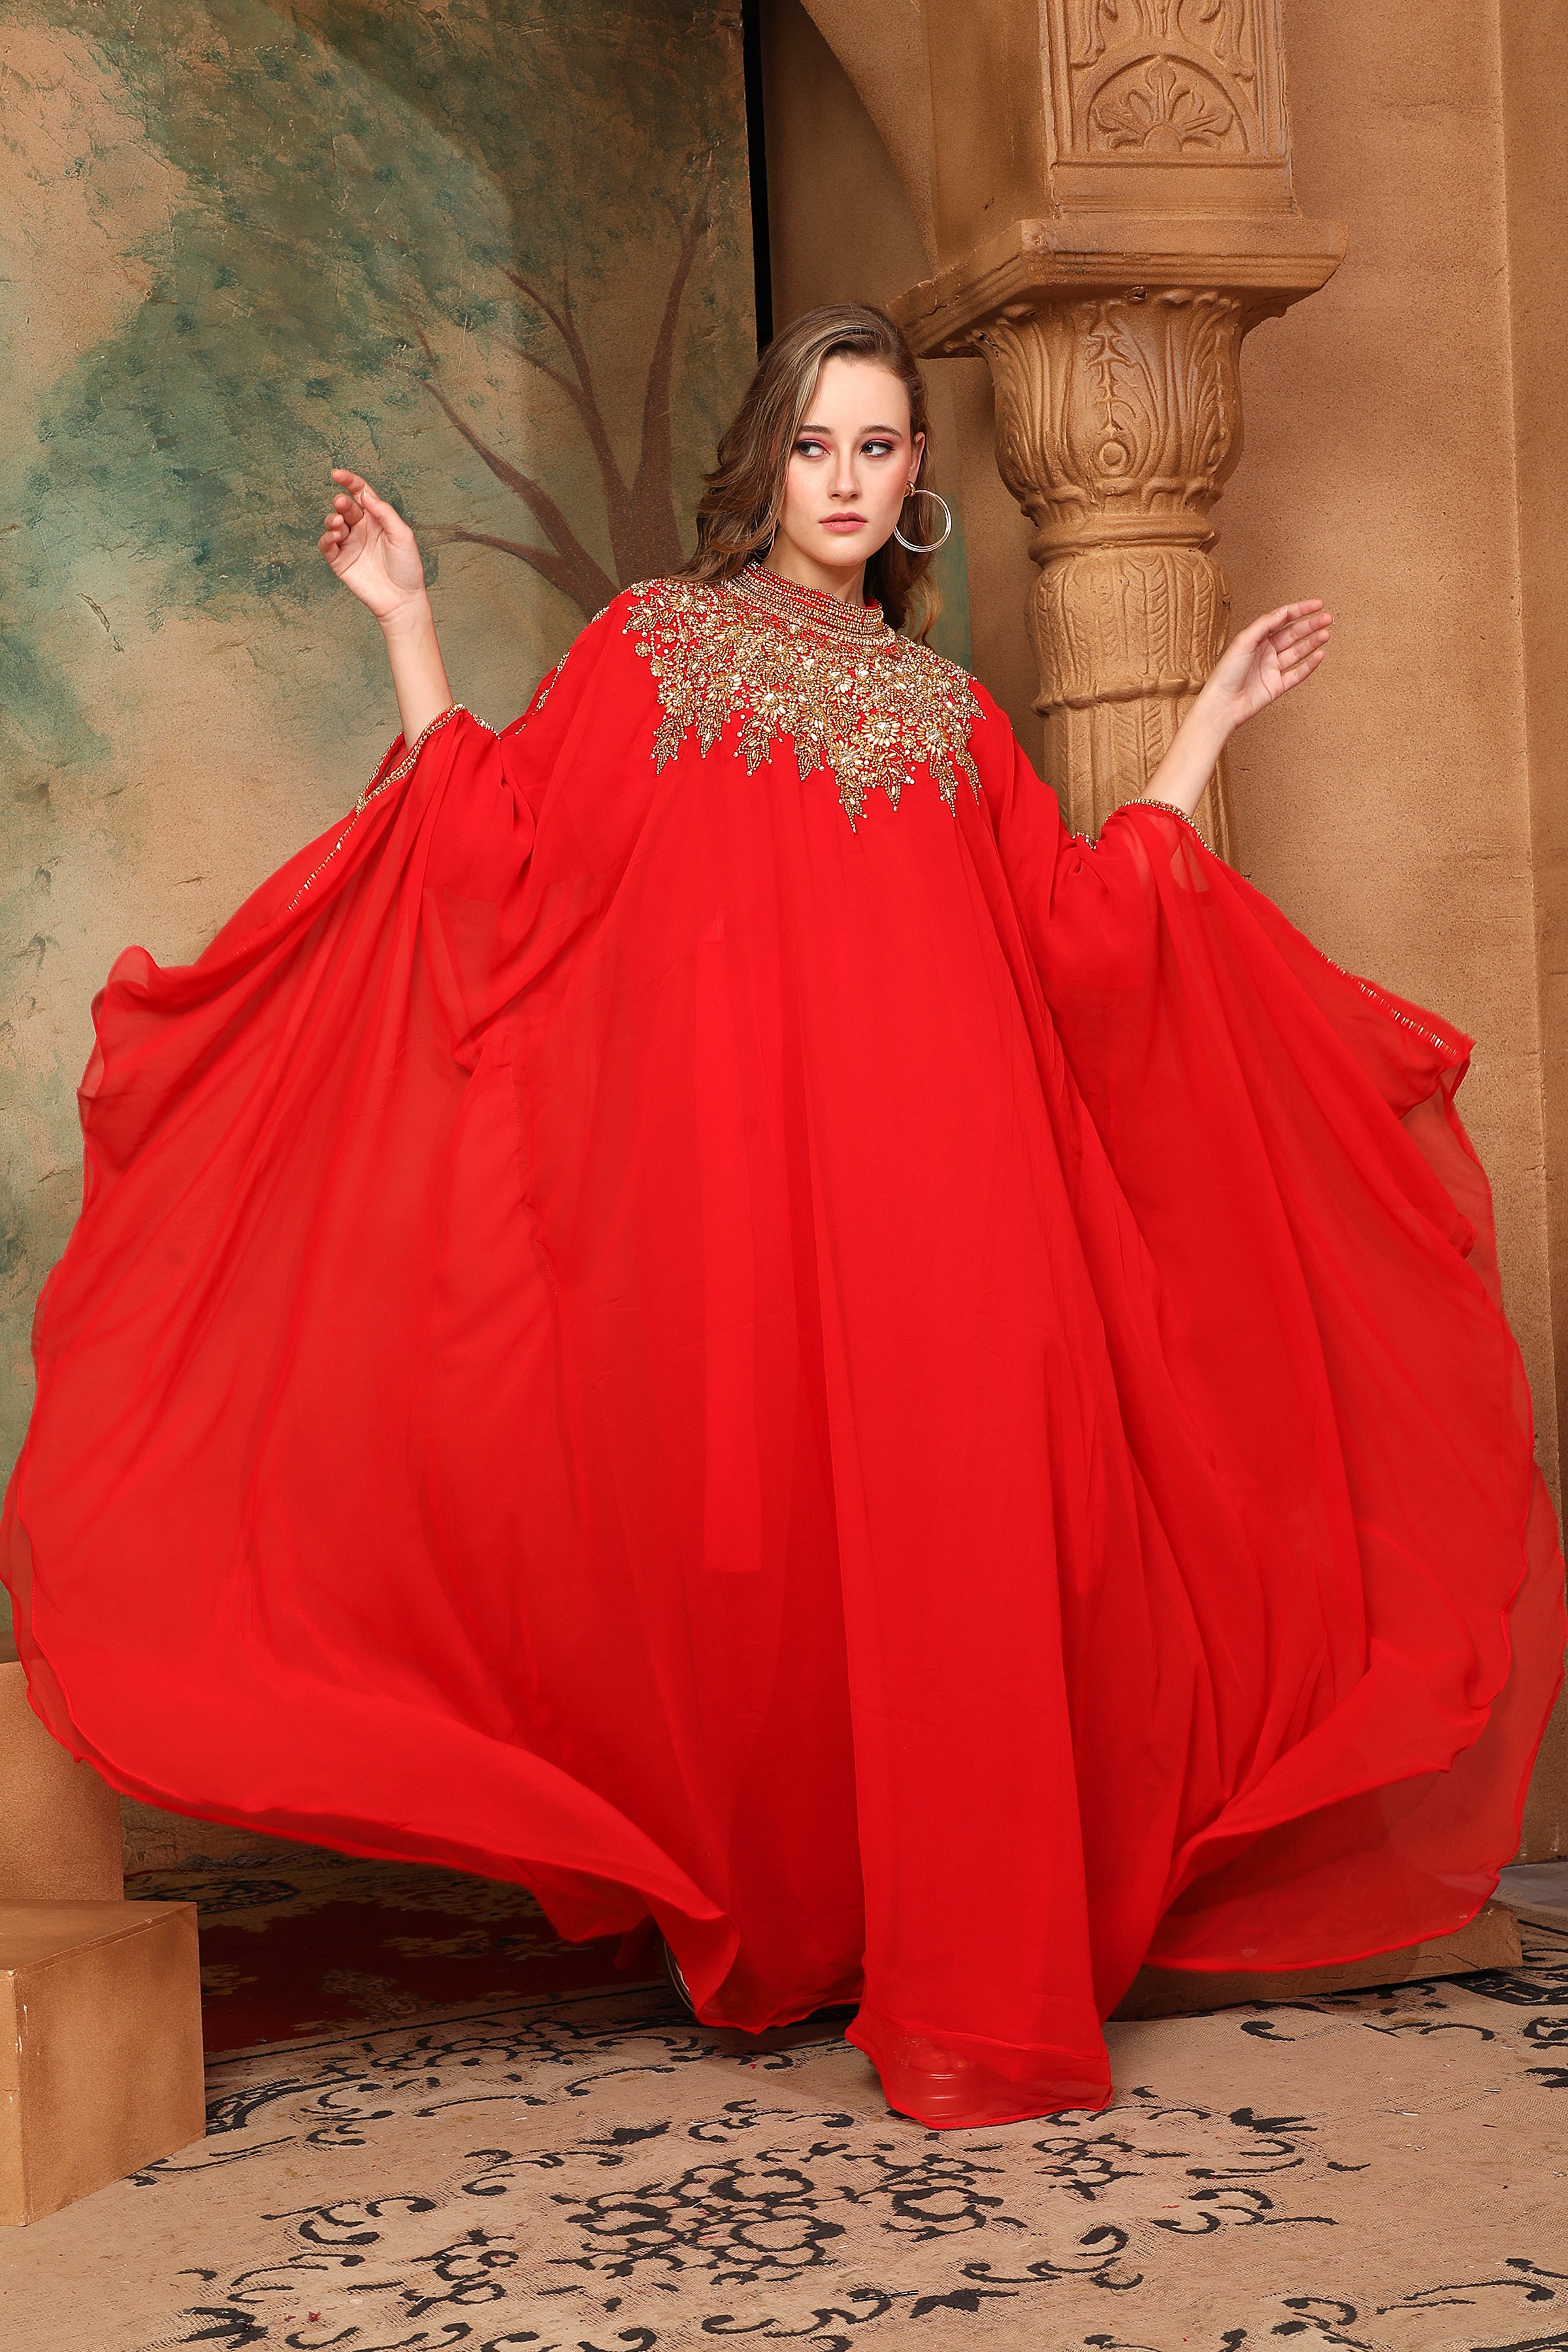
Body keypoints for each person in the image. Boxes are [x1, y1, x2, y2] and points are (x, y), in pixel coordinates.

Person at [5, 304, 1562, 2131]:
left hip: (965, 1208)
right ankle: (802, 1921)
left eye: (879, 447)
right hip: (753, 1214)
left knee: (971, 1551)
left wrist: (1202, 727)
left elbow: (1079, 945)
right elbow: (499, 853)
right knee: (768, 1560)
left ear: (917, 480)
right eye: (817, 444)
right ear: (771, 457)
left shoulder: (953, 716)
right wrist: (408, 620)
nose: (844, 480)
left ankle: (960, 1960)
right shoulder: (655, 647)